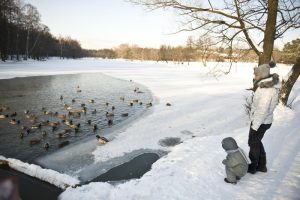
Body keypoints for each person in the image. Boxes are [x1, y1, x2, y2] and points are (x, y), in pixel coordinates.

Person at [248, 62, 280, 174]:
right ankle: (261, 166)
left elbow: (263, 110)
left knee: (253, 142)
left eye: (256, 74)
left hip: (261, 121)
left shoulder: (267, 89)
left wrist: (255, 126)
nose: (254, 76)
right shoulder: (264, 86)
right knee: (256, 142)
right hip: (262, 120)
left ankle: (253, 166)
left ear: (262, 75)